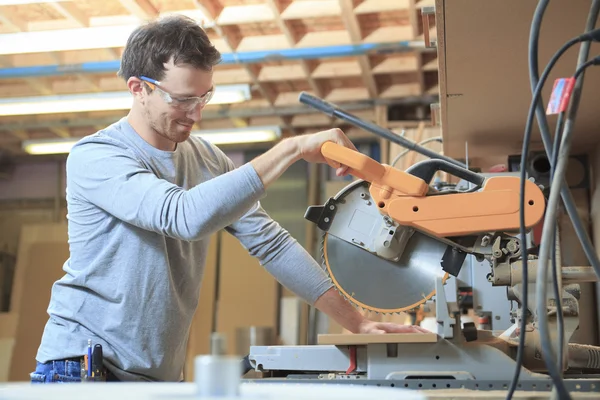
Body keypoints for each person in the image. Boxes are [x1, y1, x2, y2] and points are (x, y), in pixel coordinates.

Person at [30, 14, 428, 384]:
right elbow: (182, 216)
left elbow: (271, 244)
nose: (196, 113)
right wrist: (289, 150)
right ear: (139, 88)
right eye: (183, 99)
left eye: (204, 97)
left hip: (157, 376)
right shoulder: (97, 156)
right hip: (82, 369)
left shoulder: (205, 158)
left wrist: (355, 322)